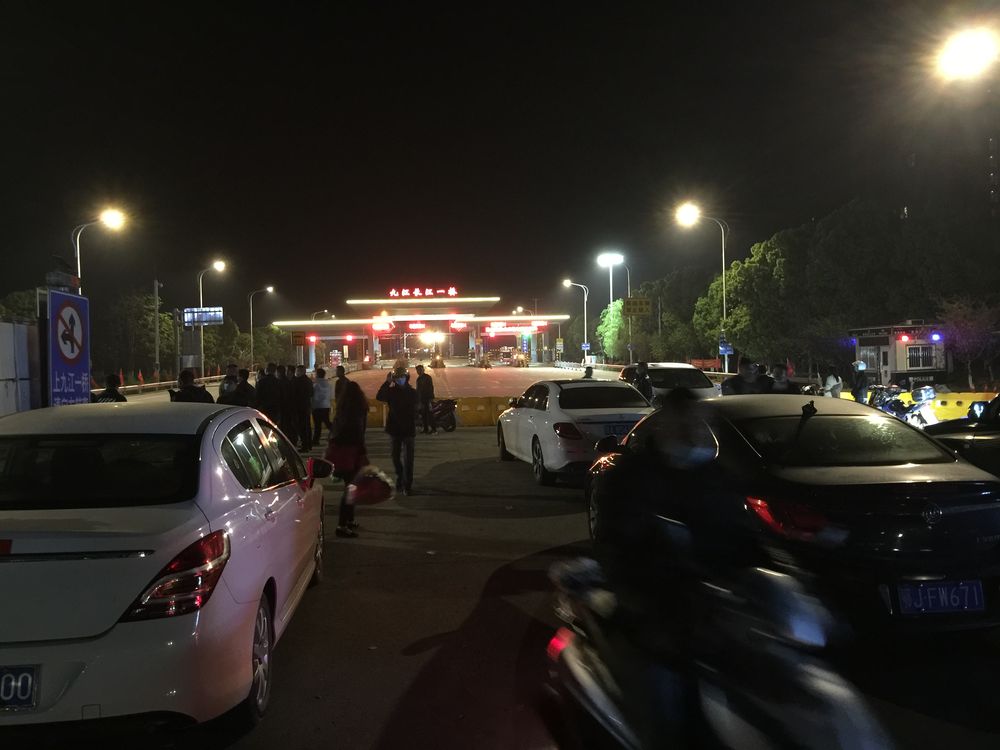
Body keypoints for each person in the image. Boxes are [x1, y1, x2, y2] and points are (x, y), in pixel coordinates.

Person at [331, 380, 369, 538]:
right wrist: (362, 452)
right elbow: (359, 434)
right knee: (350, 489)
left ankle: (349, 519)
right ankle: (342, 525)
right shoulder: (357, 412)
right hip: (352, 454)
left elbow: (334, 433)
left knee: (351, 487)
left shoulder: (341, 411)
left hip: (342, 454)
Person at [377, 366, 418, 495]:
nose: (400, 379)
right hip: (394, 429)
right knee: (395, 457)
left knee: (408, 460)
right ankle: (400, 476)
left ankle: (407, 485)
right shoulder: (391, 392)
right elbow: (379, 396)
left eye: (402, 377)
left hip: (408, 430)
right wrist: (387, 382)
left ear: (407, 378)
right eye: (398, 377)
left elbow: (418, 408)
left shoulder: (413, 393)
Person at [291, 365, 315, 451]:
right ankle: (309, 444)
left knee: (301, 427)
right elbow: (312, 393)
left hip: (299, 407)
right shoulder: (309, 381)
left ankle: (304, 445)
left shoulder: (297, 381)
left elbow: (294, 394)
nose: (296, 373)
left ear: (301, 372)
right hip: (306, 406)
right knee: (307, 426)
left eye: (297, 371)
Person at [311, 367, 334, 446]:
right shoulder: (328, 384)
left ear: (317, 375)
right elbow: (331, 395)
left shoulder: (315, 384)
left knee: (317, 425)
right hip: (326, 406)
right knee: (327, 422)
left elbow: (314, 396)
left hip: (317, 407)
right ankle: (336, 432)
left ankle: (315, 440)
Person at [276, 365, 297, 442]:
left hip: (284, 408)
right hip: (290, 408)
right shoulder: (288, 381)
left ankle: (287, 442)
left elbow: (281, 396)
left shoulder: (280, 382)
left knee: (284, 427)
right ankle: (292, 440)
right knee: (289, 426)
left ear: (278, 372)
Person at [415, 364, 437, 434]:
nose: (419, 371)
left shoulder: (427, 377)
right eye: (418, 370)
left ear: (423, 370)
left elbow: (430, 388)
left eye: (420, 370)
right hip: (422, 400)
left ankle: (434, 429)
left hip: (427, 399)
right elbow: (418, 390)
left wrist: (430, 399)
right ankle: (425, 429)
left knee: (429, 415)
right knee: (423, 415)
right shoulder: (419, 379)